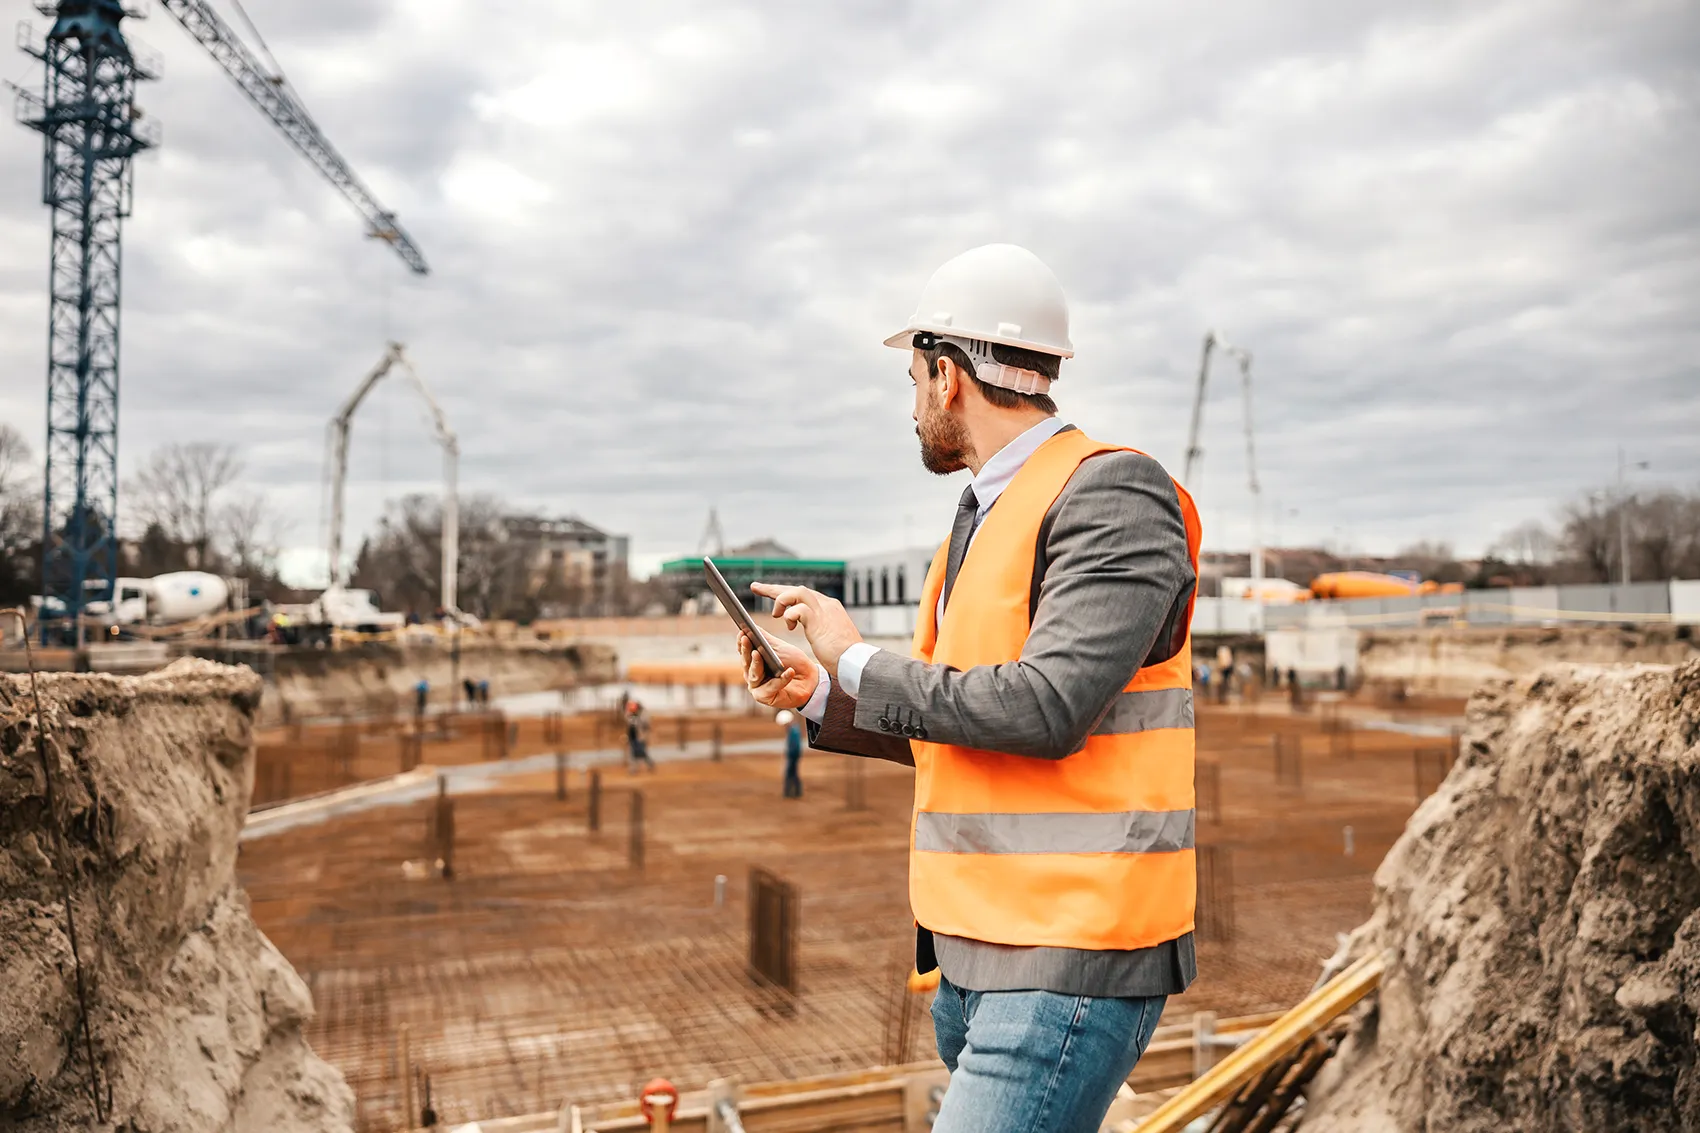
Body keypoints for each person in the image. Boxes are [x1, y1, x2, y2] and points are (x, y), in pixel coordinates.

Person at [735, 245, 1199, 1132]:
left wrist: (857, 655)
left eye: (913, 379)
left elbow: (1046, 707)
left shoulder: (1113, 492)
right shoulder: (981, 521)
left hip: (1071, 950)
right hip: (972, 953)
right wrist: (825, 693)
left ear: (949, 376)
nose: (911, 405)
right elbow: (959, 718)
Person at [778, 710, 804, 798]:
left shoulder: (794, 730)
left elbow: (794, 745)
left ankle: (789, 792)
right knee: (793, 773)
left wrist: (790, 754)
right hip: (793, 755)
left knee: (790, 773)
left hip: (793, 755)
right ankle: (796, 792)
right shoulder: (793, 729)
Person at [626, 701, 655, 773]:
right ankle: (634, 768)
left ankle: (649, 763)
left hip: (641, 736)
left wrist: (644, 735)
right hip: (633, 736)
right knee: (633, 753)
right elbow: (630, 726)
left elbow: (646, 726)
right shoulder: (632, 716)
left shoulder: (644, 715)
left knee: (641, 752)